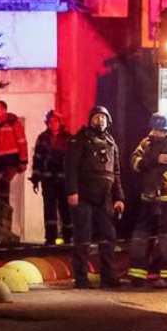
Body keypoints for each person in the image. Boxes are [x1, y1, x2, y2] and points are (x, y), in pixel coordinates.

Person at [65, 106, 125, 289]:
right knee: (83, 238)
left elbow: (116, 173)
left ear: (108, 120)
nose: (100, 121)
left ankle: (108, 277)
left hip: (104, 198)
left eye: (103, 117)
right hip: (83, 196)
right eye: (96, 117)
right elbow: (71, 167)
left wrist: (119, 198)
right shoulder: (80, 139)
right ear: (90, 120)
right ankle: (81, 278)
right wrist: (72, 191)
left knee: (109, 236)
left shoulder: (111, 143)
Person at [128, 114, 167, 288]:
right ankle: (137, 274)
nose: (156, 133)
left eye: (160, 130)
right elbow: (134, 161)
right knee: (141, 235)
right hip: (148, 198)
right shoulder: (146, 143)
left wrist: (160, 185)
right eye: (154, 129)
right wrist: (155, 160)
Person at [31, 110, 72, 246]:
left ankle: (68, 236)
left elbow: (74, 160)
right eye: (50, 122)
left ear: (60, 123)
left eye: (55, 121)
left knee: (65, 208)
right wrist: (35, 178)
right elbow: (37, 158)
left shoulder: (68, 138)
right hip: (48, 179)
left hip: (64, 179)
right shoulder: (42, 138)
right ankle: (50, 237)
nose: (53, 124)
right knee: (49, 209)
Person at [0, 101, 28, 202]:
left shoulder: (13, 122)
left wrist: (23, 161)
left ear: (4, 110)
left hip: (12, 160)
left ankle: (4, 206)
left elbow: (22, 142)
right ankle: (2, 206)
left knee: (4, 181)